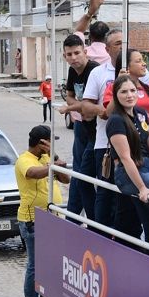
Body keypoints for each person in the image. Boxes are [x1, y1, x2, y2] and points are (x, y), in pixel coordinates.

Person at [81, 29, 147, 235]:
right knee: (107, 192)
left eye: (125, 43)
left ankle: (132, 236)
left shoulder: (142, 76)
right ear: (107, 48)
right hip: (107, 144)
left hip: (142, 145)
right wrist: (117, 87)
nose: (122, 47)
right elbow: (95, 111)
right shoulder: (99, 73)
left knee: (133, 198)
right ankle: (102, 234)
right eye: (118, 43)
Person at [14, 125, 70, 297]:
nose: (51, 145)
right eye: (49, 142)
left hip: (54, 219)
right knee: (35, 266)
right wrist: (53, 166)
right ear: (41, 143)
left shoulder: (48, 158)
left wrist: (54, 159)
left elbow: (66, 179)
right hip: (33, 221)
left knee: (54, 265)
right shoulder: (24, 160)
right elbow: (34, 173)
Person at [106, 75, 149, 248]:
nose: (129, 95)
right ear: (116, 95)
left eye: (133, 90)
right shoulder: (116, 120)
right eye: (124, 92)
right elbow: (125, 158)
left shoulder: (141, 114)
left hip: (146, 167)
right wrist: (142, 187)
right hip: (129, 172)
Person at [57, 34, 99, 221]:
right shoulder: (73, 70)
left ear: (85, 51)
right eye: (69, 54)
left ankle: (94, 222)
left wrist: (72, 107)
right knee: (79, 176)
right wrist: (78, 106)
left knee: (87, 178)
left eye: (76, 53)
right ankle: (74, 218)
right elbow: (71, 96)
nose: (73, 58)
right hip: (83, 126)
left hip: (98, 132)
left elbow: (89, 105)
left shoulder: (94, 71)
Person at [102, 49, 149, 121]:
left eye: (143, 60)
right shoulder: (113, 87)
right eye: (138, 61)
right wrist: (119, 86)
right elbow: (108, 113)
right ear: (127, 66)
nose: (144, 64)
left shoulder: (147, 88)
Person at [73, 0, 110, 64]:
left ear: (90, 37)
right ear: (106, 38)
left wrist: (90, 13)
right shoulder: (111, 55)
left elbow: (78, 31)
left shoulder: (84, 53)